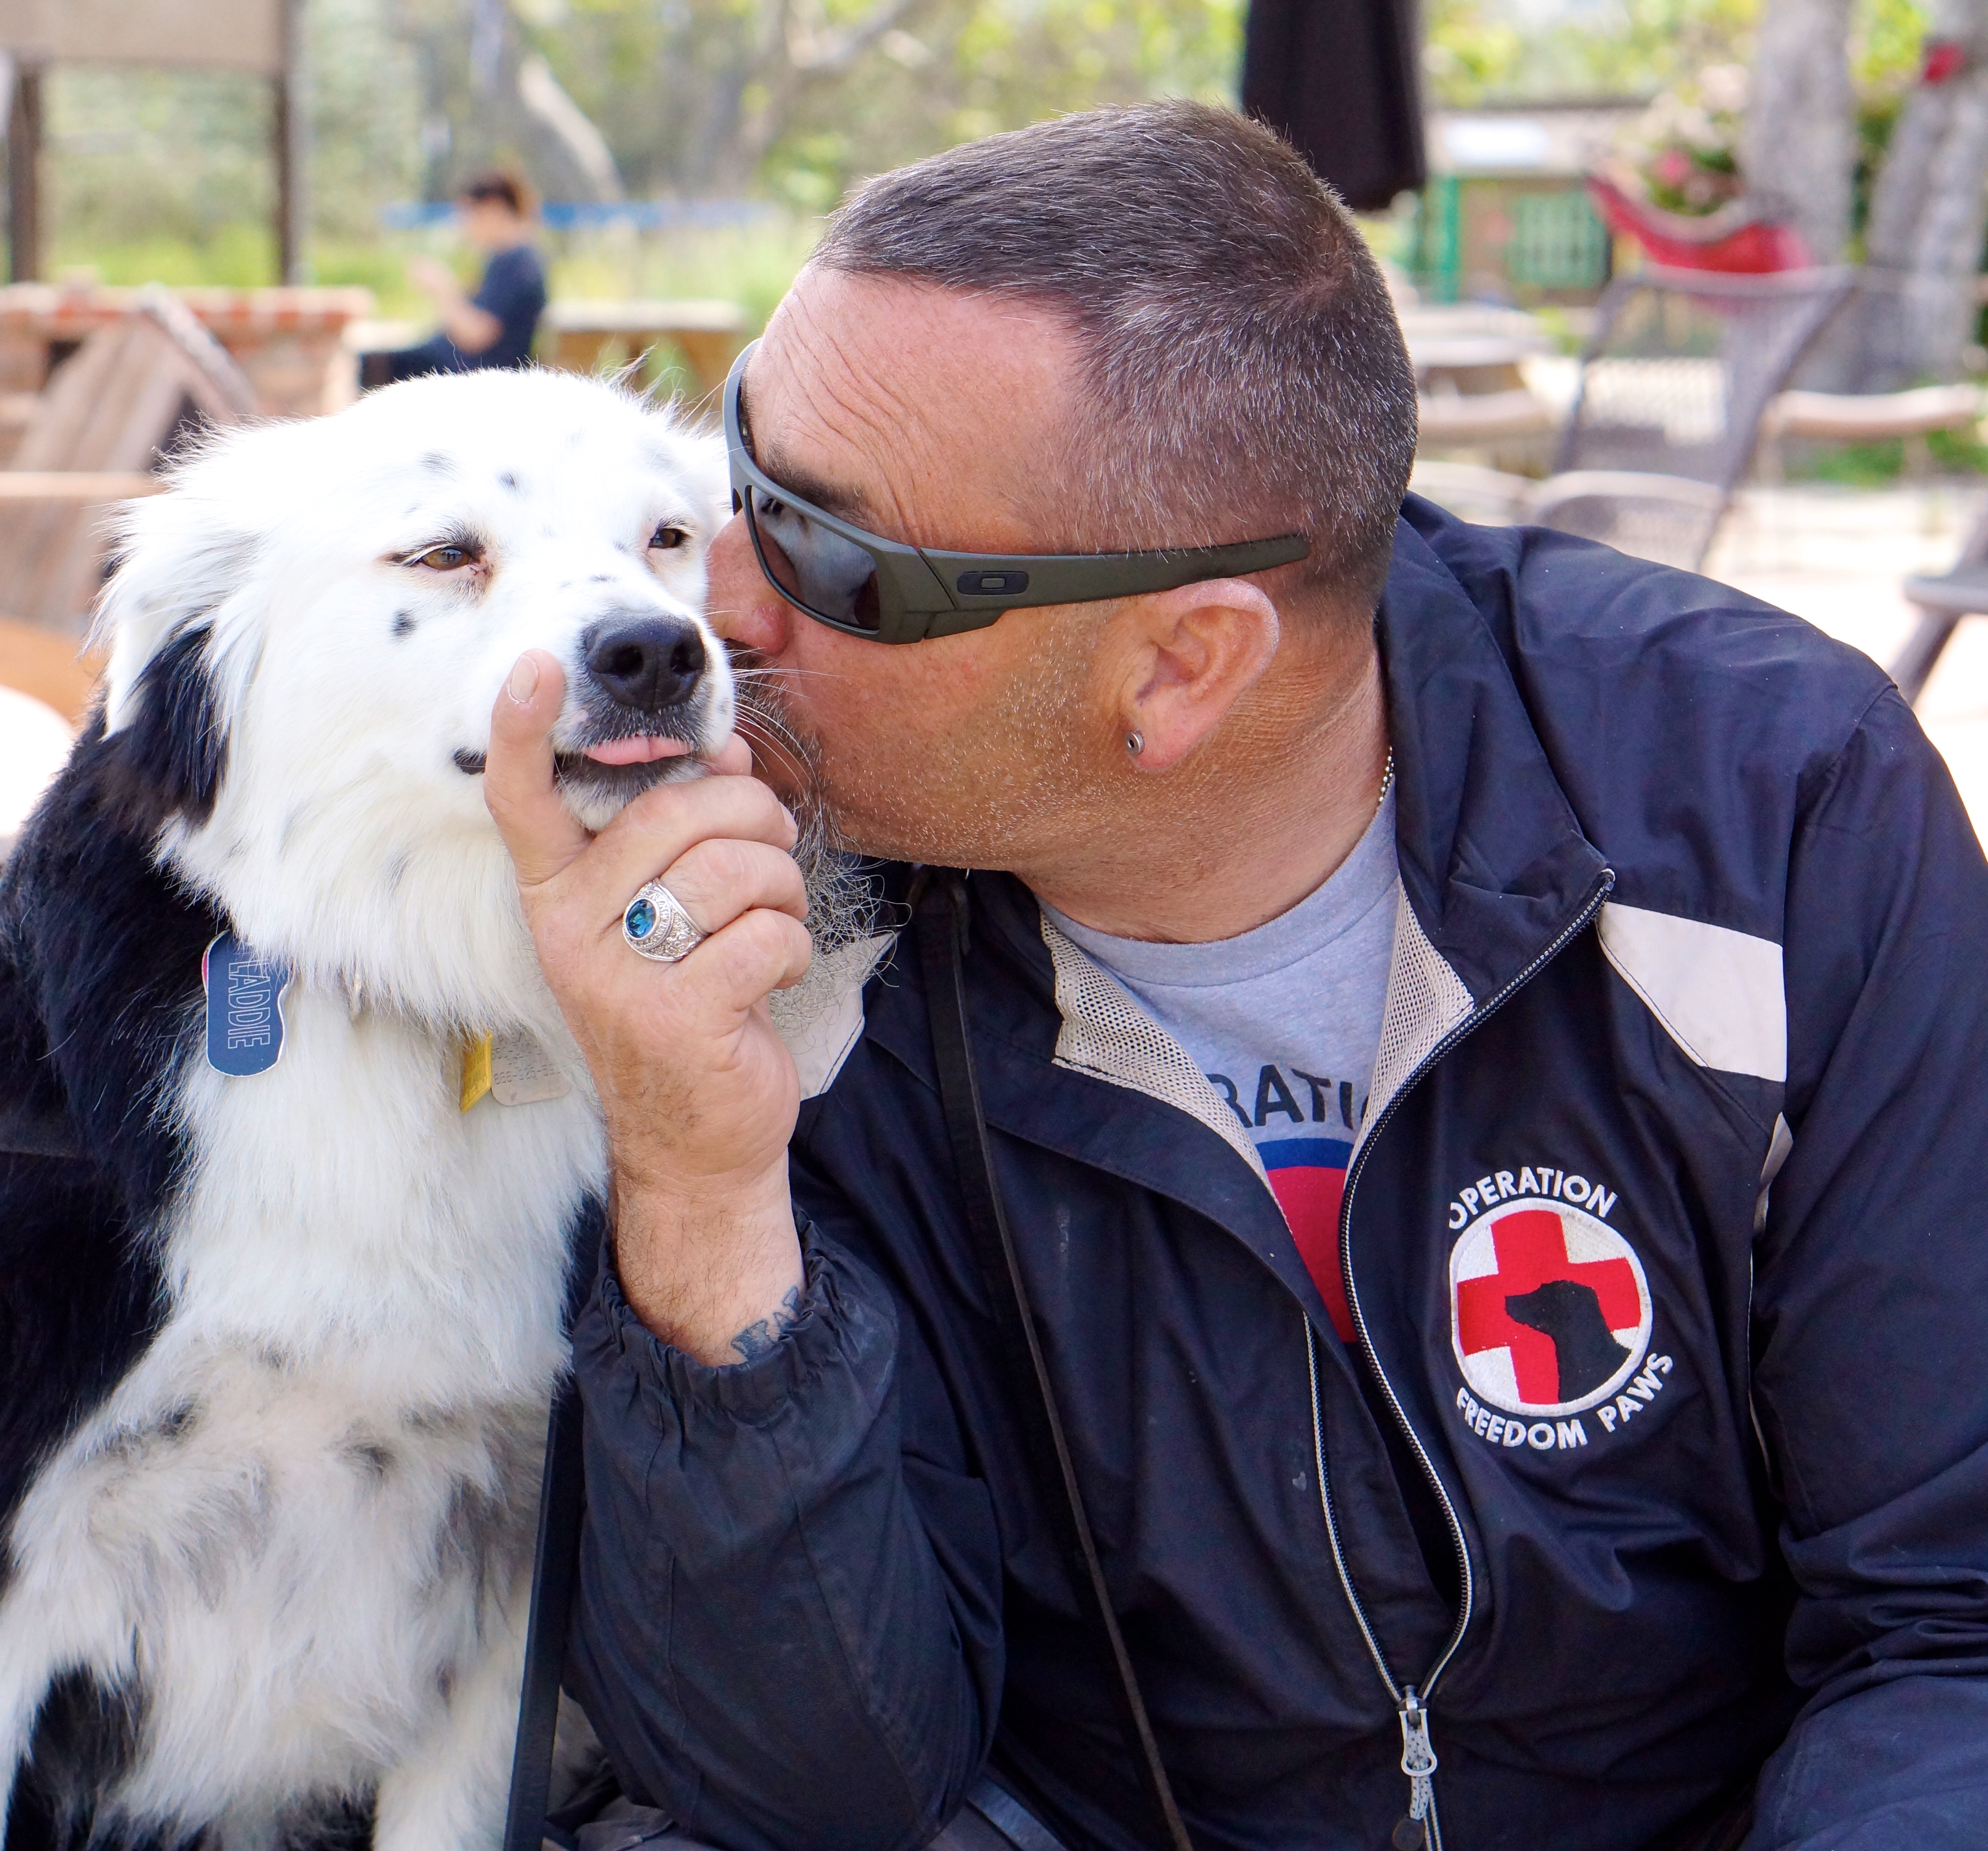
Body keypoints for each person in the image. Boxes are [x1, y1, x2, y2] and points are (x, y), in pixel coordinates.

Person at [482, 102, 1988, 1851]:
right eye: (737, 469)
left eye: (834, 554)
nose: (717, 597)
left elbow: (1947, 1620)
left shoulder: (1760, 805)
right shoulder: (765, 925)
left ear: (1180, 665)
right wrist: (695, 1181)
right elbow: (820, 1792)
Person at [361, 170, 549, 386]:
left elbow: (476, 335)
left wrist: (443, 288)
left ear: (492, 208)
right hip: (458, 368)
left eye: (468, 215)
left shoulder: (519, 263)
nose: (464, 226)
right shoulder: (506, 259)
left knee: (359, 364)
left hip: (470, 378)